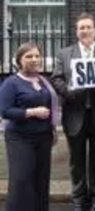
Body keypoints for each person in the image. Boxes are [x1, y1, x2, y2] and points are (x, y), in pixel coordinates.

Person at [51, 12, 95, 211]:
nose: (85, 31)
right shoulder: (64, 53)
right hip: (75, 114)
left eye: (88, 27)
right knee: (76, 160)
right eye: (81, 28)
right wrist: (69, 91)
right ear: (76, 31)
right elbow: (56, 79)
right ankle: (78, 198)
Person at [0, 42, 59, 211]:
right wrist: (31, 112)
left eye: (36, 56)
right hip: (20, 138)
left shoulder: (44, 81)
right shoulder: (11, 83)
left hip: (43, 138)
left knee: (41, 181)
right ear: (19, 60)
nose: (34, 59)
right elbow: (5, 111)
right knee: (21, 181)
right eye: (28, 56)